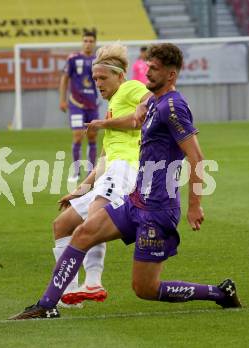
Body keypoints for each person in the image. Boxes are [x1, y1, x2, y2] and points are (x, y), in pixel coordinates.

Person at [10, 43, 241, 320]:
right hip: (135, 203)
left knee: (145, 288)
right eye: (148, 66)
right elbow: (137, 112)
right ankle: (46, 305)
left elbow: (197, 157)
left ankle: (219, 293)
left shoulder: (173, 107)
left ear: (170, 75)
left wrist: (195, 206)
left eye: (154, 69)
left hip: (157, 211)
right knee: (83, 232)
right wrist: (141, 106)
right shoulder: (154, 101)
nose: (148, 72)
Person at [52, 43, 151, 308]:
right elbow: (103, 160)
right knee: (62, 224)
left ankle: (93, 281)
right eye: (95, 78)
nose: (97, 83)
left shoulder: (130, 88)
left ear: (120, 76)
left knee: (92, 225)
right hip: (111, 170)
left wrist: (108, 123)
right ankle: (69, 294)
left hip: (126, 170)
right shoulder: (111, 107)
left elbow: (150, 104)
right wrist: (80, 190)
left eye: (102, 78)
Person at [59, 31, 99, 182]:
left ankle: (90, 173)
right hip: (76, 104)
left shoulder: (98, 60)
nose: (88, 43)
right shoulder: (73, 58)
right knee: (77, 135)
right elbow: (64, 79)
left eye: (91, 41)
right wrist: (62, 99)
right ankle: (75, 171)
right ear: (82, 42)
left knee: (93, 136)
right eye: (85, 40)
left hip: (92, 105)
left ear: (94, 43)